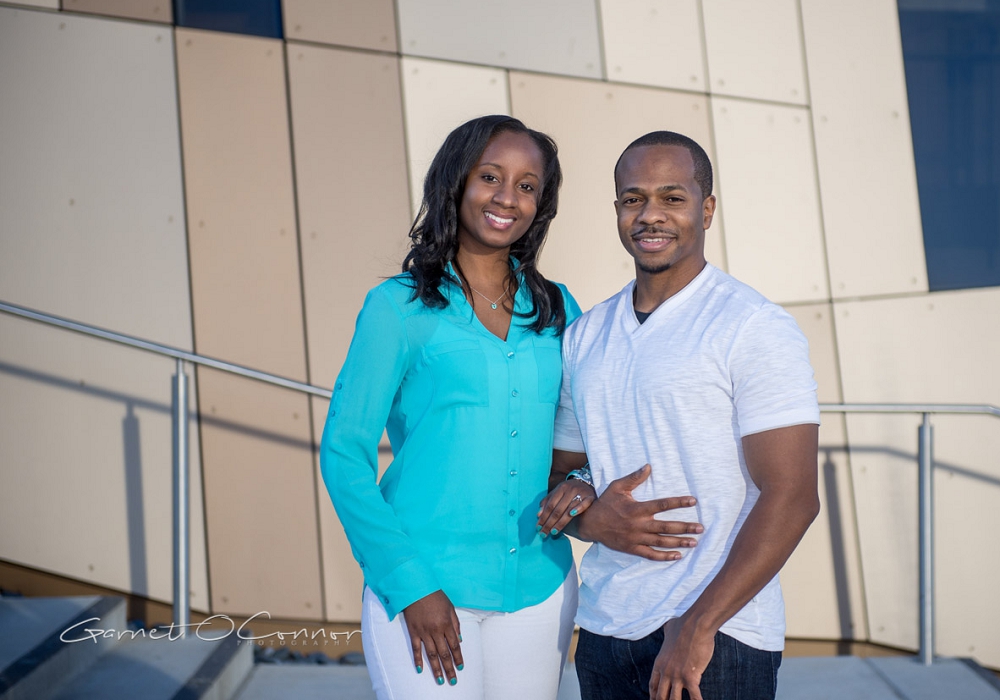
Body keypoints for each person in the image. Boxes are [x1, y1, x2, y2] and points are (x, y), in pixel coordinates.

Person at [537, 131, 821, 700]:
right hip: (606, 628)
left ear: (707, 208)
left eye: (672, 197)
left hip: (718, 636)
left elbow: (792, 495)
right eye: (632, 198)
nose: (650, 215)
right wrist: (590, 520)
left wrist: (698, 625)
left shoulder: (752, 326)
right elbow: (561, 474)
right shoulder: (586, 335)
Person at [319, 115, 593, 700]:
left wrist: (586, 480)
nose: (507, 197)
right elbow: (344, 455)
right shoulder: (397, 309)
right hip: (425, 582)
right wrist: (409, 583)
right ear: (455, 183)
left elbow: (592, 430)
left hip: (539, 587)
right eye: (489, 176)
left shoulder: (559, 307)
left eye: (527, 185)